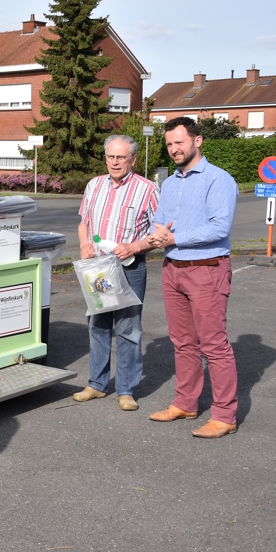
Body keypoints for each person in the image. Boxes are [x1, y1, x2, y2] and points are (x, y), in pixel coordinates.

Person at [147, 116, 239, 438]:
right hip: (173, 269)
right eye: (169, 144)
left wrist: (175, 238)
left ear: (197, 141)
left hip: (208, 269)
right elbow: (158, 221)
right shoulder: (170, 183)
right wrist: (156, 236)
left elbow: (219, 227)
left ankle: (225, 416)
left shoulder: (218, 179)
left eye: (179, 143)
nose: (173, 149)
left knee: (214, 344)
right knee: (183, 343)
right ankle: (186, 403)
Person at [72, 135, 159, 411]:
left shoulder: (147, 189)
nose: (115, 162)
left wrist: (134, 246)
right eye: (111, 156)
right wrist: (84, 243)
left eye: (121, 157)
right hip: (98, 269)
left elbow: (160, 234)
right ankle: (96, 384)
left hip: (130, 268)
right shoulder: (94, 185)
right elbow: (84, 222)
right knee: (97, 326)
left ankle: (125, 389)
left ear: (133, 159)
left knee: (128, 329)